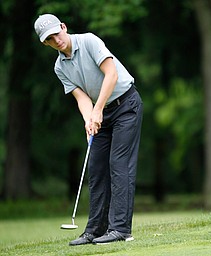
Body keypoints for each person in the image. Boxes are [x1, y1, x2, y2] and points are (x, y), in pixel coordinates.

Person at [34, 14, 143, 246]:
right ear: (45, 43)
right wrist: (89, 119)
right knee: (96, 168)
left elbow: (111, 75)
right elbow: (81, 97)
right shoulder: (59, 67)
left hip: (126, 106)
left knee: (119, 164)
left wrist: (99, 110)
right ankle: (94, 230)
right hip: (100, 113)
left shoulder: (89, 41)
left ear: (64, 27)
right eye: (50, 39)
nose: (56, 40)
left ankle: (121, 229)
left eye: (57, 33)